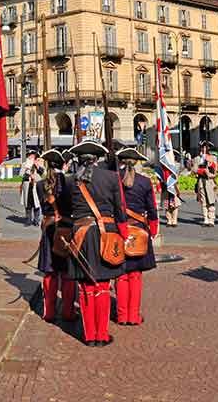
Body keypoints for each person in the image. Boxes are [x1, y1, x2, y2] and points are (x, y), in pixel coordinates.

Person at [64, 140, 127, 346]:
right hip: (106, 233)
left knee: (85, 285)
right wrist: (123, 234)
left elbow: (66, 211)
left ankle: (89, 335)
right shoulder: (111, 177)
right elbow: (120, 210)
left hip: (81, 234)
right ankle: (101, 334)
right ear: (98, 158)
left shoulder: (71, 180)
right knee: (102, 284)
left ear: (79, 159)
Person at [116, 147, 157, 326]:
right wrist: (153, 230)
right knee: (136, 276)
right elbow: (152, 209)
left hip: (119, 230)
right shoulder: (145, 182)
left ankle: (122, 315)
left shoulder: (115, 180)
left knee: (121, 275)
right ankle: (133, 315)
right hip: (139, 229)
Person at [35, 149, 76, 322]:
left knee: (50, 273)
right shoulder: (70, 183)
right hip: (66, 228)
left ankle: (49, 312)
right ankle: (68, 311)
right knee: (67, 273)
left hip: (49, 229)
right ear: (63, 165)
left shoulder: (39, 184)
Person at [193, 140, 218, 227]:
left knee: (211, 201)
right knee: (203, 201)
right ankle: (205, 219)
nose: (204, 149)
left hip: (209, 181)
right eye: (203, 147)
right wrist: (202, 170)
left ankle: (211, 219)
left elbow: (215, 170)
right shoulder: (197, 158)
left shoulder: (213, 158)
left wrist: (210, 164)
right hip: (201, 181)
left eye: (206, 147)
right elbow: (194, 170)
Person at [19, 149, 44, 226]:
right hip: (27, 186)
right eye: (30, 155)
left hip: (36, 185)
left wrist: (37, 166)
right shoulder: (24, 164)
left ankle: (37, 220)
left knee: (36, 203)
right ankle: (28, 220)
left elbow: (44, 173)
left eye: (33, 155)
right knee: (28, 204)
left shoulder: (39, 163)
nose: (31, 157)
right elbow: (21, 174)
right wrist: (27, 171)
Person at [162, 160, 182, 227]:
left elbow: (176, 180)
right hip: (166, 187)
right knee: (167, 205)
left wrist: (178, 191)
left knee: (175, 205)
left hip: (173, 188)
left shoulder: (175, 166)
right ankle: (169, 220)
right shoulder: (163, 166)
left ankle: (174, 220)